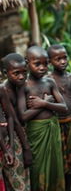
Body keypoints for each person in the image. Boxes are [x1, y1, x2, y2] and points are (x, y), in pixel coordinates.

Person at [17, 46, 68, 191]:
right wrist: (42, 105)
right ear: (27, 63)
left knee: (54, 166)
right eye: (37, 64)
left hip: (52, 129)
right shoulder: (24, 86)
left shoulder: (50, 82)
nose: (42, 68)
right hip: (36, 133)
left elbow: (64, 107)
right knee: (37, 167)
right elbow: (23, 116)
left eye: (45, 64)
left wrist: (45, 103)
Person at [47, 44, 71, 191]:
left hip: (70, 122)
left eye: (64, 57)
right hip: (55, 124)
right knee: (57, 159)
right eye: (57, 59)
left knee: (70, 159)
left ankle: (68, 187)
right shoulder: (47, 80)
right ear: (49, 61)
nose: (62, 61)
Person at [0, 53, 32, 190]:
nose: (21, 77)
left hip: (11, 137)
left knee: (19, 179)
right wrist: (25, 148)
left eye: (24, 72)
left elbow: (12, 118)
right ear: (5, 73)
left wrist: (13, 147)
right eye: (16, 73)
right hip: (8, 137)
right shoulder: (5, 89)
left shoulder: (18, 87)